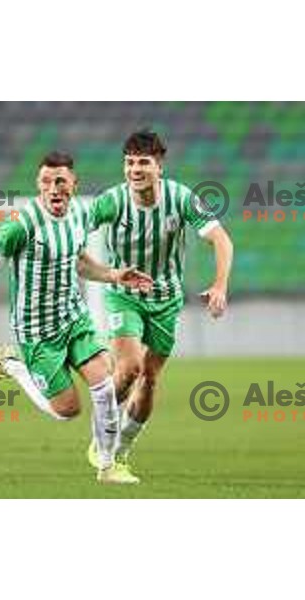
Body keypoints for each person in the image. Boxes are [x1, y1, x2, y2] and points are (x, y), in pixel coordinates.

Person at [0, 151, 152, 484]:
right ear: (39, 185)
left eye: (60, 181)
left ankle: (107, 467)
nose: (53, 188)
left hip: (73, 318)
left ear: (73, 185)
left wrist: (113, 275)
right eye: (46, 182)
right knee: (68, 411)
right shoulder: (23, 225)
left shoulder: (79, 216)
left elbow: (77, 260)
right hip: (37, 332)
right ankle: (12, 365)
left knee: (105, 384)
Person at [87, 131, 234, 481]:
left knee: (150, 379)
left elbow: (221, 238)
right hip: (124, 295)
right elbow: (73, 233)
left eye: (143, 162)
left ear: (159, 166)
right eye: (129, 162)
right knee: (130, 368)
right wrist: (105, 273)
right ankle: (101, 438)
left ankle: (120, 453)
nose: (135, 169)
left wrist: (219, 285)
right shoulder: (111, 202)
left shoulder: (181, 198)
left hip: (166, 300)